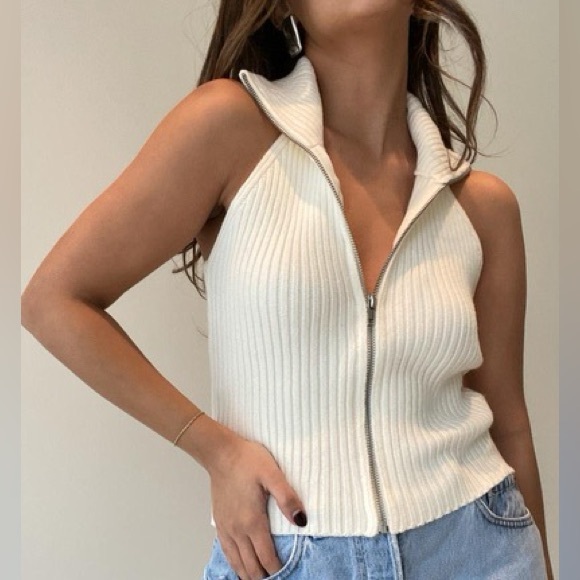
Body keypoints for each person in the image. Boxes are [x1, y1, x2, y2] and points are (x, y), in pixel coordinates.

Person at [21, 1, 554, 579]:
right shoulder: (228, 130)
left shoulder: (481, 208)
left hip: (479, 546)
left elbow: (509, 422)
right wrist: (215, 449)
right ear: (280, 7)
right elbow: (54, 301)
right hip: (288, 558)